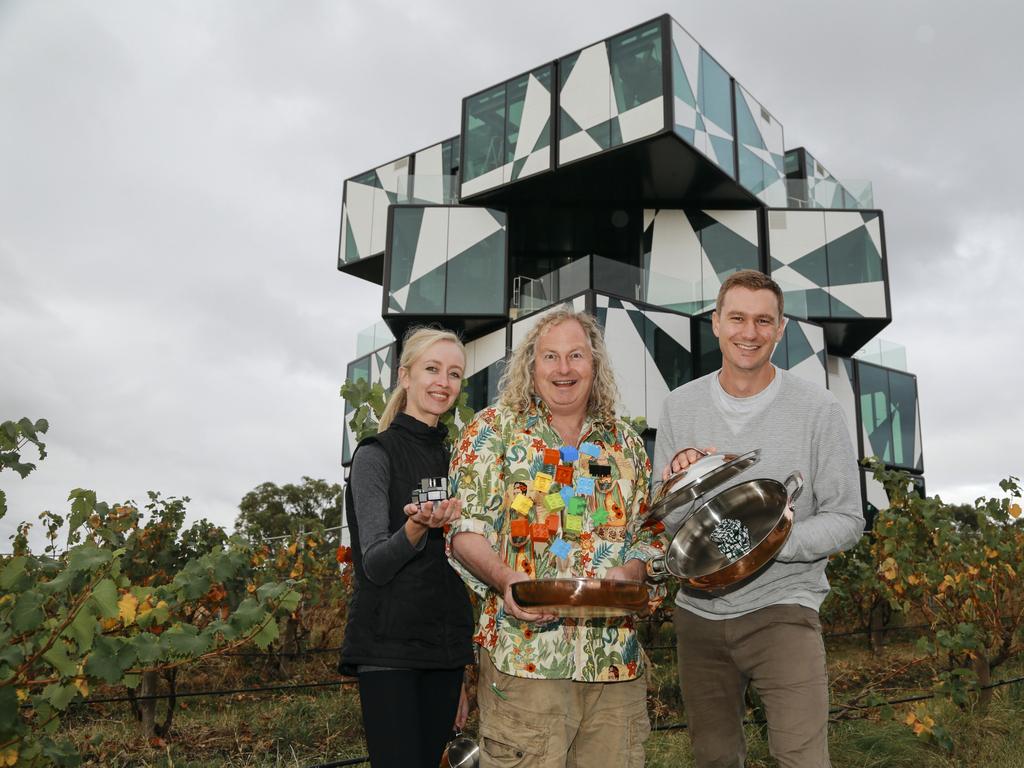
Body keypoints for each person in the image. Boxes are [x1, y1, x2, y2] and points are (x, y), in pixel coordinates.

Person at [653, 269, 863, 768]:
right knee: (715, 759)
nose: (750, 332)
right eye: (738, 318)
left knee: (801, 758)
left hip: (783, 611)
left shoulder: (818, 409)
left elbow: (847, 518)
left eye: (763, 320)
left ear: (781, 329)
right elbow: (671, 525)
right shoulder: (679, 407)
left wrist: (774, 541)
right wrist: (681, 484)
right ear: (716, 324)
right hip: (699, 618)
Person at [447, 307, 663, 768]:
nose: (563, 369)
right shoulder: (491, 433)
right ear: (531, 365)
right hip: (525, 658)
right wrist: (506, 580)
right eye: (550, 356)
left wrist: (634, 569)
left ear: (595, 365)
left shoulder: (624, 444)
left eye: (576, 356)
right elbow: (464, 531)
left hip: (614, 663)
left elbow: (650, 530)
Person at [339, 327, 475, 768]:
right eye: (432, 369)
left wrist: (460, 667)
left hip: (443, 655)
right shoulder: (375, 454)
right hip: (389, 650)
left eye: (454, 374)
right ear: (405, 376)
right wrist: (416, 529)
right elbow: (374, 565)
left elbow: (456, 571)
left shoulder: (457, 461)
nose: (443, 382)